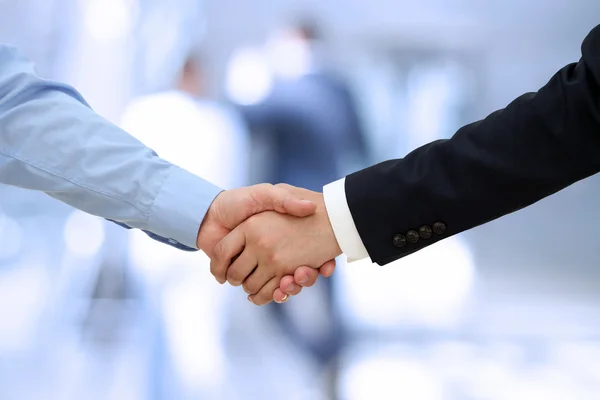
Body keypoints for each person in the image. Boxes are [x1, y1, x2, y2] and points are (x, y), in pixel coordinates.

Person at [217, 23, 600, 304]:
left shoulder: (300, 90)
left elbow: (566, 121)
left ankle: (328, 357)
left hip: (301, 206)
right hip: (307, 205)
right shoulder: (333, 88)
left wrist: (337, 218)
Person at [0, 44, 331, 302]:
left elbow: (16, 111)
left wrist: (207, 213)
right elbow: (19, 113)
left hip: (180, 240)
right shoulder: (215, 119)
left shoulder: (155, 111)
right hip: (200, 242)